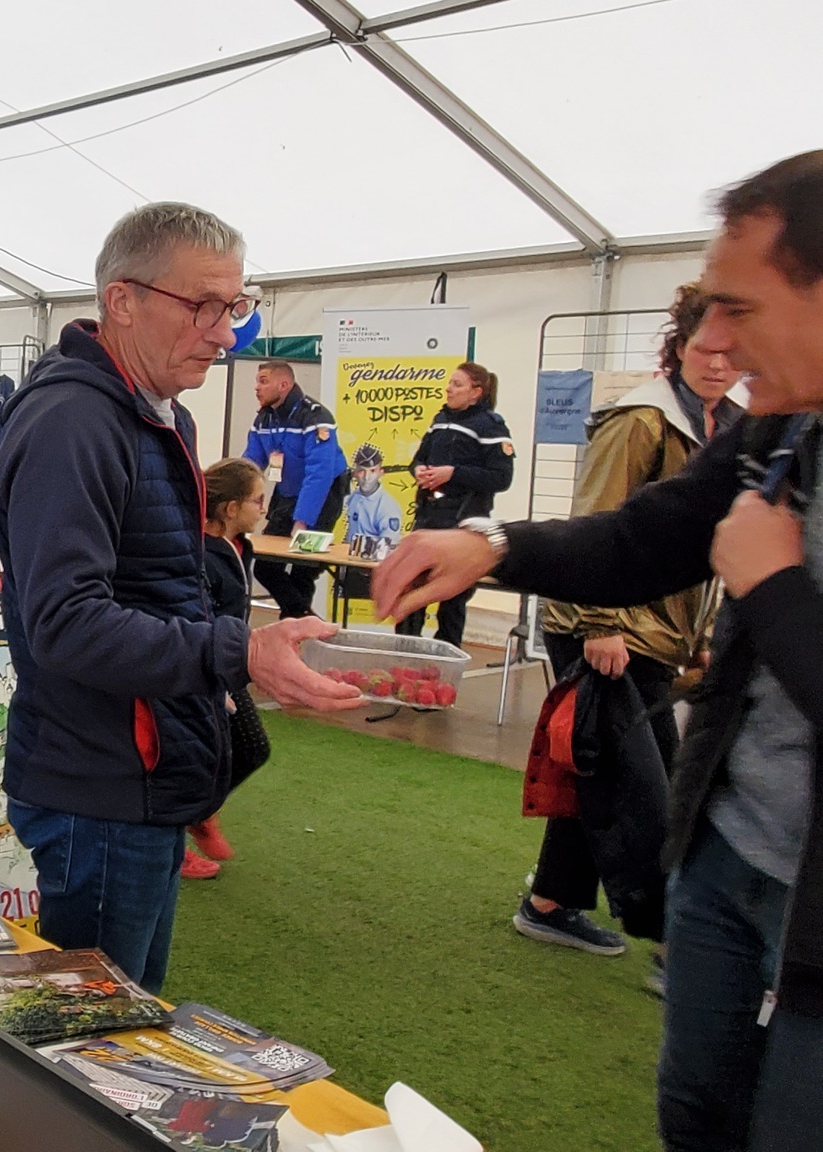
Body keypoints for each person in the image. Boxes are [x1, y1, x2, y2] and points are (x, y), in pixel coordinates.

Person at [371, 151, 823, 1152]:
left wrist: (775, 591)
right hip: (724, 856)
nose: (709, 339)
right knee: (694, 1117)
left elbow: (746, 578)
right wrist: (491, 543)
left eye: (736, 307)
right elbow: (648, 532)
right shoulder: (779, 424)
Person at [0, 203, 359, 991]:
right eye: (204, 307)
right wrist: (237, 652)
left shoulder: (159, 415)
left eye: (236, 306)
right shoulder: (74, 422)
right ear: (122, 302)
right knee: (90, 1039)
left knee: (127, 1017)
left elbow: (161, 588)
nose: (227, 332)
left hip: (146, 772)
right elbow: (64, 623)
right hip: (101, 778)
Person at [521, 283, 747, 969]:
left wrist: (707, 632)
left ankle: (552, 903)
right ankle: (672, 941)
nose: (717, 363)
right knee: (648, 781)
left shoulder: (731, 423)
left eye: (731, 351)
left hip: (662, 630)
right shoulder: (641, 419)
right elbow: (597, 519)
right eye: (704, 347)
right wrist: (598, 624)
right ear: (678, 347)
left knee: (604, 768)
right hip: (610, 626)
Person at [188, 457, 271, 881]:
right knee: (207, 756)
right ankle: (185, 823)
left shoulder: (242, 548)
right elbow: (200, 616)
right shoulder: (201, 553)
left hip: (227, 667)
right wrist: (214, 681)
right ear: (231, 508)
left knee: (249, 750)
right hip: (207, 669)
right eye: (258, 501)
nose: (265, 510)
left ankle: (198, 811)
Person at [393, 361, 515, 646]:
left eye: (457, 384)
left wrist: (453, 473)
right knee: (412, 590)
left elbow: (502, 477)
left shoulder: (490, 426)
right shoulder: (440, 420)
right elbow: (418, 458)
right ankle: (405, 652)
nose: (448, 388)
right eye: (449, 383)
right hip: (428, 519)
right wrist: (419, 470)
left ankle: (444, 662)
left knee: (452, 600)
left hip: (462, 524)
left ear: (476, 392)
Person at [245, 360, 348, 619]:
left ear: (284, 384)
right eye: (257, 381)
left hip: (323, 495)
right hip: (288, 491)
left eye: (263, 381)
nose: (257, 387)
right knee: (266, 567)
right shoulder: (264, 418)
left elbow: (320, 473)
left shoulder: (316, 417)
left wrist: (302, 520)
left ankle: (293, 628)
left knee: (304, 568)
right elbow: (249, 465)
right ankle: (304, 618)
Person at [343, 443, 405, 558]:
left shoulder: (388, 507)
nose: (367, 477)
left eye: (372, 471)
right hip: (350, 561)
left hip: (373, 564)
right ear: (355, 473)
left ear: (381, 473)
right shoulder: (353, 498)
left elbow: (389, 545)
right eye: (362, 471)